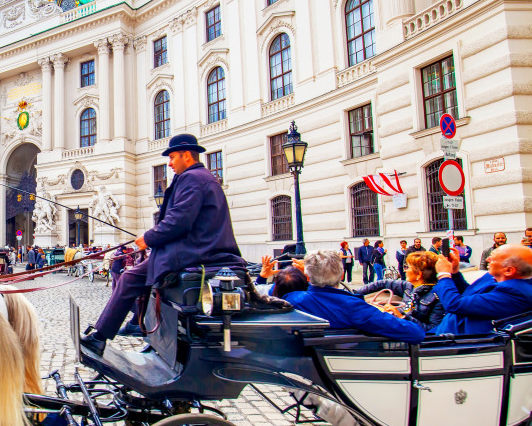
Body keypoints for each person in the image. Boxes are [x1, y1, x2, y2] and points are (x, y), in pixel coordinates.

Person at [82, 134, 243, 354]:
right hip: (195, 248)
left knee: (129, 279)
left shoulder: (193, 178)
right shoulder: (198, 177)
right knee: (133, 279)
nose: (169, 163)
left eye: (173, 157)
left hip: (195, 252)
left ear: (186, 156)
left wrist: (149, 238)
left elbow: (180, 220)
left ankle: (101, 337)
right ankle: (144, 328)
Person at [283, 250, 423, 343]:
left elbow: (271, 291)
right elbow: (416, 333)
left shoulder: (292, 299)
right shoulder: (353, 307)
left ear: (306, 277)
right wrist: (399, 316)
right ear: (342, 275)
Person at [432, 244, 532, 336]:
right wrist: (454, 271)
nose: (487, 259)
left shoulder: (516, 293)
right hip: (445, 330)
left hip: (463, 343)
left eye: (493, 259)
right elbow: (469, 294)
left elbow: (455, 304)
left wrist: (444, 275)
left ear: (508, 270)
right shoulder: (492, 276)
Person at [354, 251, 444, 333]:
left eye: (407, 267)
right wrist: (354, 293)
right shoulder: (409, 286)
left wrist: (402, 317)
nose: (405, 270)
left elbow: (432, 330)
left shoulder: (437, 297)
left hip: (410, 341)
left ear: (418, 274)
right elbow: (383, 283)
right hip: (396, 328)